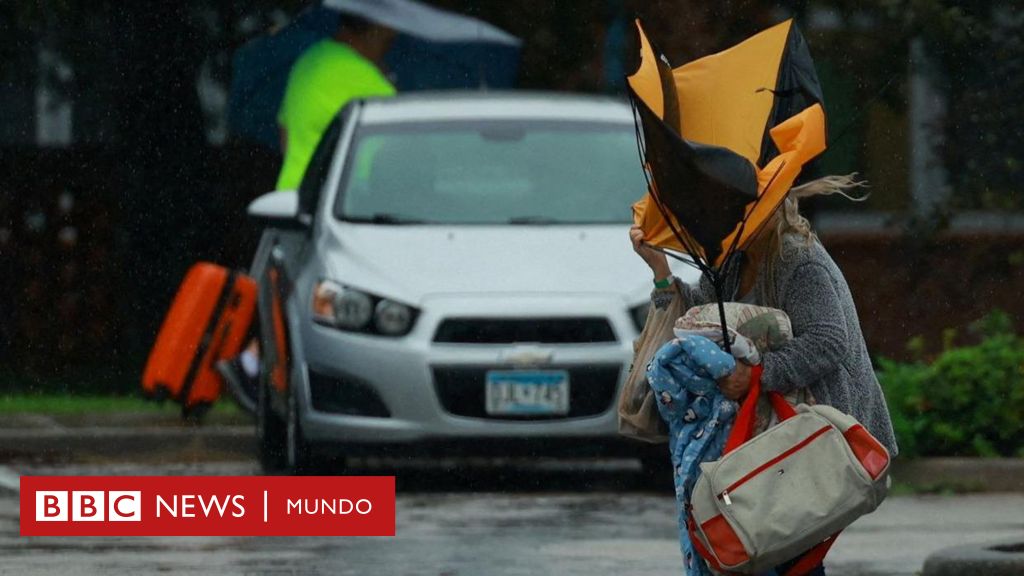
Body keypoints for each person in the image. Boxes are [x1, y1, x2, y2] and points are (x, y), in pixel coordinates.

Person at [629, 175, 898, 576]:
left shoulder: (799, 260)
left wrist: (756, 374)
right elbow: (699, 314)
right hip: (775, 434)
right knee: (771, 548)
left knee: (786, 549)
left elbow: (828, 341)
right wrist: (661, 271)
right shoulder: (733, 261)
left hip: (818, 434)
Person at [217, 16, 398, 408]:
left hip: (289, 197)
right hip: (339, 210)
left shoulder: (309, 61)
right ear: (375, 29)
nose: (392, 39)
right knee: (329, 302)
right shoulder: (371, 85)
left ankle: (254, 365)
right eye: (388, 32)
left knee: (284, 293)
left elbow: (284, 132)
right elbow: (389, 158)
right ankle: (262, 369)